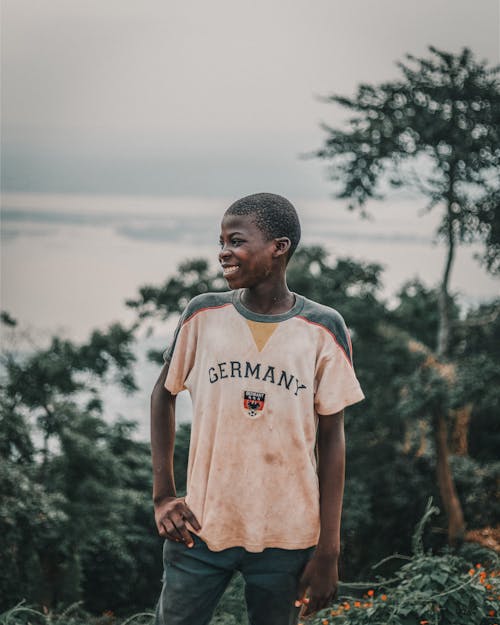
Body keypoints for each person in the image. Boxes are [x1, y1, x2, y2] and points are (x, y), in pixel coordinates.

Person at [150, 192, 365, 625]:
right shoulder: (203, 315)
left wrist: (328, 551)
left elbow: (332, 440)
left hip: (288, 538)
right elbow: (163, 395)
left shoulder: (323, 328)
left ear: (278, 248)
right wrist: (163, 496)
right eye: (222, 242)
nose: (223, 252)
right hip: (201, 530)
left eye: (236, 241)